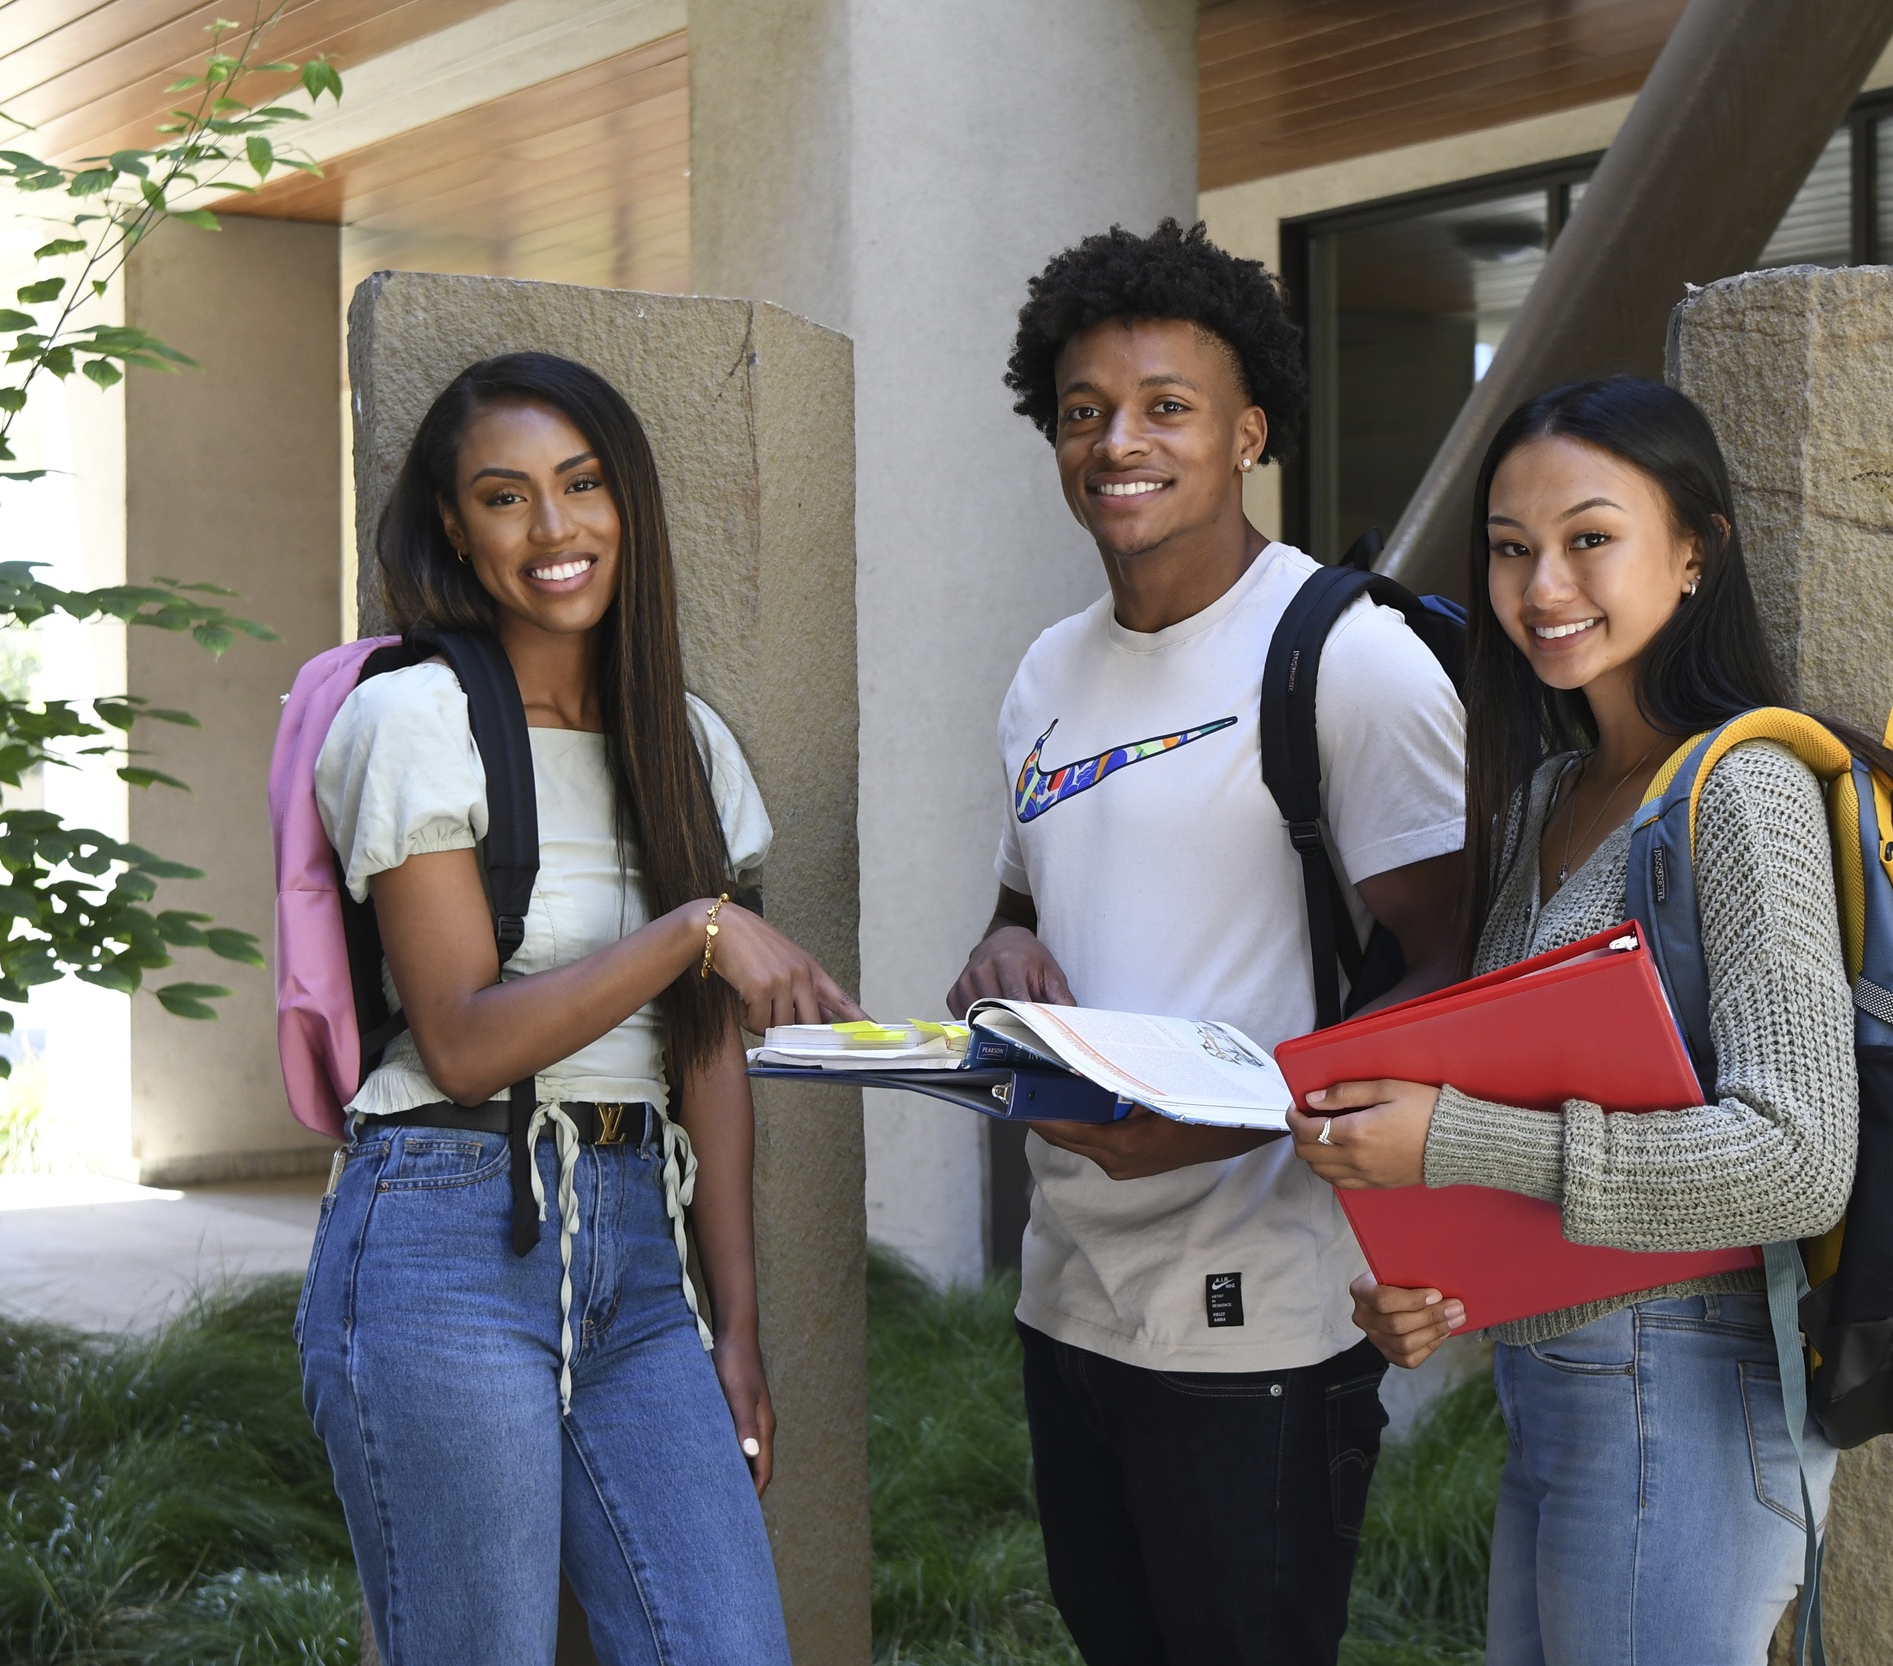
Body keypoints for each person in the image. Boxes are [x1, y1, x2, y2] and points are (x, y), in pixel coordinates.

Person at [1288, 375, 1888, 1666]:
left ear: (1694, 554)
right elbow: (1548, 1111)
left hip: (1688, 1391)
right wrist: (1440, 1288)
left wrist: (1454, 1138)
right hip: (1559, 1390)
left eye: (1589, 538)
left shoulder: (1747, 790)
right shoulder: (1553, 790)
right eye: (1511, 549)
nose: (1542, 585)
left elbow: (1797, 1157)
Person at [944, 220, 1468, 1666]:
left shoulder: (1343, 656)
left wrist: (1215, 1122)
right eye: (1085, 412)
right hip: (1071, 1295)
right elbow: (1023, 909)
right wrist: (999, 965)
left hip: (1266, 1314)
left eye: (1167, 406)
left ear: (1247, 431)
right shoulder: (1047, 670)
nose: (1121, 440)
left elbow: (1453, 967)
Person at [296, 352, 858, 1666]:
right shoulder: (415, 720)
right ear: (453, 527)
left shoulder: (687, 743)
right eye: (506, 497)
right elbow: (462, 1035)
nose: (555, 530)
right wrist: (692, 930)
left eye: (582, 484)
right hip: (443, 1225)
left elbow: (705, 1052)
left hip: (636, 1254)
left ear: (627, 501)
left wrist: (737, 1325)